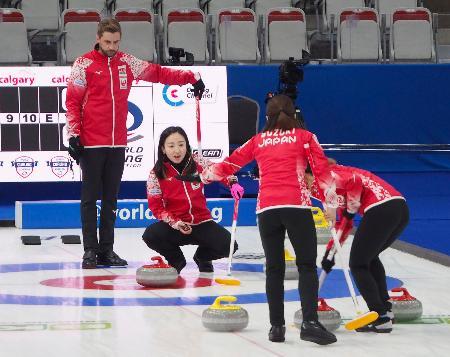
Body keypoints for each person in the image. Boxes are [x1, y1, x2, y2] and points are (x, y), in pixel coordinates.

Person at [178, 95, 338, 345]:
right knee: (306, 266)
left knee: (274, 268)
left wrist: (200, 178)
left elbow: (228, 165)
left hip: (267, 209)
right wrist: (331, 205)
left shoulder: (258, 140)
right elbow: (322, 173)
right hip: (296, 205)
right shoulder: (306, 137)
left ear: (267, 117)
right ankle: (310, 322)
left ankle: (276, 328)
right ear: (294, 114)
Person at [65, 18, 206, 269]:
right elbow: (73, 102)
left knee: (111, 199)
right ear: (98, 38)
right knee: (89, 199)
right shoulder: (83, 64)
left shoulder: (127, 62)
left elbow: (160, 73)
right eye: (107, 42)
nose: (112, 46)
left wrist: (190, 77)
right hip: (91, 143)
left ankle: (107, 250)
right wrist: (73, 135)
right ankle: (89, 251)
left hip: (118, 143)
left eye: (116, 42)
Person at [305, 162, 409, 333]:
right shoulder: (330, 185)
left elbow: (355, 182)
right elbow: (344, 221)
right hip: (398, 208)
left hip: (381, 208)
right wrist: (330, 253)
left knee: (358, 264)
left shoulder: (328, 174)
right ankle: (385, 310)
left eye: (303, 179)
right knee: (369, 258)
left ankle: (380, 315)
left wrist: (346, 208)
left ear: (309, 173)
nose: (305, 186)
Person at [142, 126, 243, 274]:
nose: (177, 150)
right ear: (163, 149)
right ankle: (176, 259)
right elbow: (156, 207)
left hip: (202, 222)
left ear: (187, 145)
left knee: (229, 246)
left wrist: (232, 183)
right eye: (171, 146)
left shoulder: (197, 161)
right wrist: (175, 222)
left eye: (181, 144)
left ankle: (202, 257)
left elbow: (219, 171)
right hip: (177, 225)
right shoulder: (156, 174)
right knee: (151, 235)